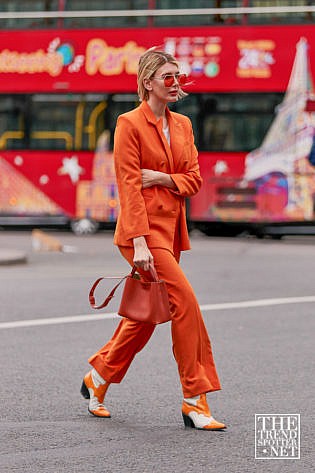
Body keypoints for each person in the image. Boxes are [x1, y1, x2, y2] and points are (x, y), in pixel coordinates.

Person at [81, 48, 226, 431]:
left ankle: (98, 376)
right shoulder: (128, 123)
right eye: (168, 77)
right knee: (186, 305)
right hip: (141, 234)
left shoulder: (183, 125)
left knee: (148, 315)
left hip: (171, 231)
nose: (176, 83)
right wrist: (141, 243)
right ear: (148, 83)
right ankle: (195, 398)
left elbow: (193, 180)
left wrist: (161, 178)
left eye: (179, 76)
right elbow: (129, 188)